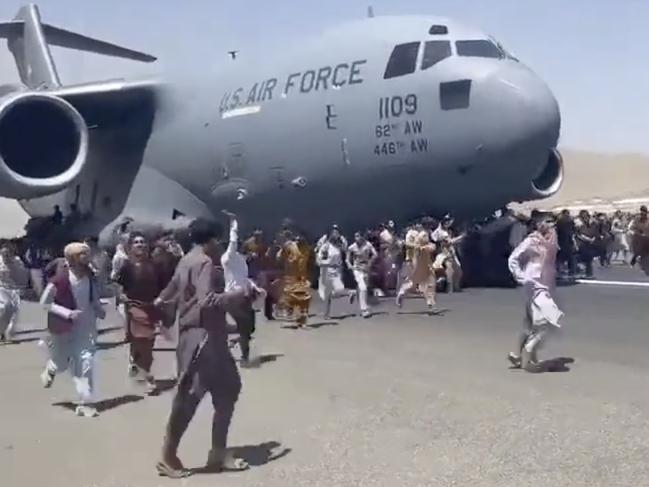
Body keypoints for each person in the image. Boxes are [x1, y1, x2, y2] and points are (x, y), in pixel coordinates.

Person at [154, 218, 250, 478]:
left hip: (202, 334)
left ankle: (218, 451)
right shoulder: (205, 262)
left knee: (228, 388)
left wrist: (161, 301)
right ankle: (168, 456)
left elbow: (170, 289)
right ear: (212, 240)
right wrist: (240, 294)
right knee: (190, 396)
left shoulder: (186, 259)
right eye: (218, 240)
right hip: (204, 337)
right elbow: (207, 301)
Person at [40, 243, 106, 417]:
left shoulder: (90, 278)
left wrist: (99, 309)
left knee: (86, 364)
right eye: (81, 254)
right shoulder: (60, 280)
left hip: (86, 328)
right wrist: (67, 313)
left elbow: (94, 298)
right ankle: (52, 367)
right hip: (63, 327)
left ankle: (85, 402)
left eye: (87, 254)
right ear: (71, 258)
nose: (86, 257)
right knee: (61, 364)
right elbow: (45, 303)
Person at [507, 216, 563, 372]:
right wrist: (521, 277)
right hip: (534, 284)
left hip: (547, 283)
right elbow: (513, 258)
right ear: (540, 224)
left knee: (531, 322)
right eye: (549, 222)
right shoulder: (531, 241)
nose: (553, 225)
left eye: (553, 223)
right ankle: (527, 352)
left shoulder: (551, 240)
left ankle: (520, 355)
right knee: (547, 320)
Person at [115, 232, 165, 395]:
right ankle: (149, 377)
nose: (140, 245)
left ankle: (136, 361)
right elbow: (119, 285)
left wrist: (161, 299)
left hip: (151, 306)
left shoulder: (154, 265)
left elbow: (163, 284)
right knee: (142, 339)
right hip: (134, 306)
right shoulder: (127, 265)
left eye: (142, 242)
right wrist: (121, 295)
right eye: (136, 242)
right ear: (131, 246)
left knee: (147, 342)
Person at [220, 211, 265, 366]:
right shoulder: (227, 258)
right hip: (233, 297)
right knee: (244, 328)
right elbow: (233, 242)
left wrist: (255, 288)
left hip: (245, 296)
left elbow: (244, 278)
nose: (238, 244)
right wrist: (234, 224)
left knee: (249, 328)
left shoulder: (240, 259)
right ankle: (244, 357)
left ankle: (236, 341)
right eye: (236, 243)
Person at [317, 230, 356, 320]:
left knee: (332, 292)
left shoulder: (338, 248)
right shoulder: (326, 247)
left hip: (334, 272)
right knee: (329, 294)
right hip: (328, 271)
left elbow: (345, 252)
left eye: (337, 237)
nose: (336, 238)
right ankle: (326, 314)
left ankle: (349, 292)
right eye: (335, 236)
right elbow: (319, 260)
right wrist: (328, 264)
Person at [396, 231, 438, 312]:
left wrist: (425, 247)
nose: (426, 238)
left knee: (431, 285)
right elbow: (411, 246)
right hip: (418, 268)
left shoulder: (428, 245)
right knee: (413, 284)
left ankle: (431, 303)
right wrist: (417, 247)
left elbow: (433, 247)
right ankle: (402, 292)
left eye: (426, 236)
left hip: (428, 267)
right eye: (424, 237)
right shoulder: (416, 246)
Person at [277, 232, 313, 327]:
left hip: (303, 278)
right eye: (296, 237)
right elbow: (280, 257)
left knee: (305, 299)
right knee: (289, 298)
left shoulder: (307, 249)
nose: (298, 239)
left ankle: (303, 322)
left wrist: (310, 278)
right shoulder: (289, 246)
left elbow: (310, 264)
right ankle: (287, 315)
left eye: (300, 237)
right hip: (291, 277)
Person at [0, 241, 27, 342]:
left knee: (16, 310)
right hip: (2, 288)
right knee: (6, 307)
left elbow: (23, 275)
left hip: (15, 289)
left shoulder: (17, 261)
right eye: (4, 254)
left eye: (8, 254)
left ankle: (10, 333)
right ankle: (1, 331)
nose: (5, 256)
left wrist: (13, 265)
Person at [346, 231, 378, 318]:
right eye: (355, 236)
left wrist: (370, 262)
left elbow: (375, 254)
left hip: (366, 269)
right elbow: (347, 259)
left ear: (362, 237)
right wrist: (350, 266)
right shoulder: (352, 247)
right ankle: (364, 310)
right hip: (357, 269)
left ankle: (353, 293)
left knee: (364, 288)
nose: (356, 238)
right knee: (363, 288)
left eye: (358, 236)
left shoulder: (368, 245)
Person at [629, 206, 649, 274]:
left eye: (644, 212)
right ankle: (633, 262)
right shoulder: (637, 219)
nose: (643, 213)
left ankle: (644, 266)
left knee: (645, 253)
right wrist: (638, 231)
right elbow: (632, 228)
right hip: (638, 239)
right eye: (642, 211)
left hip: (647, 239)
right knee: (638, 252)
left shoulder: (648, 219)